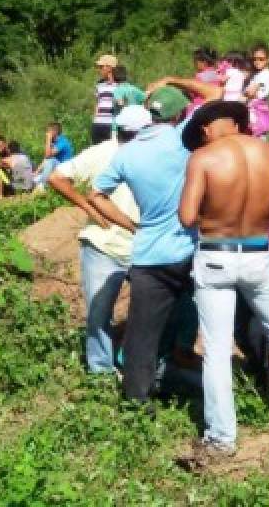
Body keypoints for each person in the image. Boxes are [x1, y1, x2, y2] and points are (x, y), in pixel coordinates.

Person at [177, 101, 269, 462]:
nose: (202, 136)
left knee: (216, 348)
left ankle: (222, 437)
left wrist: (219, 211)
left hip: (216, 254)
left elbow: (186, 216)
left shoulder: (204, 159)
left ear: (211, 127)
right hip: (258, 252)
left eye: (202, 130)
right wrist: (251, 210)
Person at [47, 99, 180, 374]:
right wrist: (87, 206)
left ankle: (139, 364)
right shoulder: (103, 152)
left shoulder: (155, 152)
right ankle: (101, 372)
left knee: (153, 312)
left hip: (144, 246)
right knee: (100, 313)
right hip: (105, 245)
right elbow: (57, 178)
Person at [89, 101, 197, 407]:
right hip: (190, 248)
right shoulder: (180, 138)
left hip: (149, 254)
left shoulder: (126, 154)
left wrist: (131, 225)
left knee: (141, 333)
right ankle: (191, 375)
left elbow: (96, 196)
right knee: (191, 313)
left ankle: (137, 399)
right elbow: (215, 96)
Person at [244, 44, 269, 138]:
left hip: (257, 111)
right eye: (255, 59)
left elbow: (251, 93)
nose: (257, 62)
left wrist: (245, 93)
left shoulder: (265, 74)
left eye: (261, 59)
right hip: (253, 110)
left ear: (268, 59)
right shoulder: (257, 74)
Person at [35, 122, 74, 187]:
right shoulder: (55, 142)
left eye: (48, 132)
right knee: (35, 179)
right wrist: (36, 172)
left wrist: (48, 139)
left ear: (54, 132)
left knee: (51, 160)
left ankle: (44, 186)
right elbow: (46, 159)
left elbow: (48, 156)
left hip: (65, 169)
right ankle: (41, 183)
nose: (46, 134)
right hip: (57, 168)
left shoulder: (62, 142)